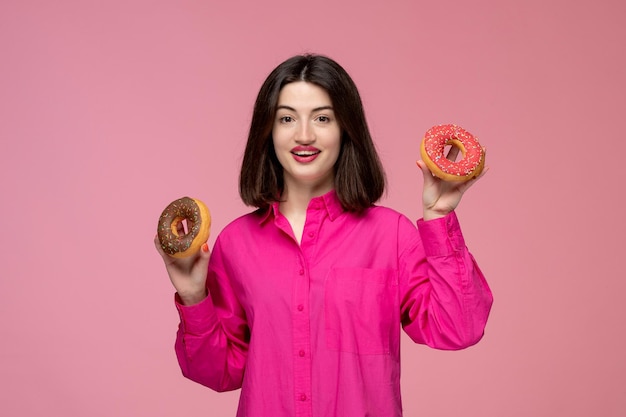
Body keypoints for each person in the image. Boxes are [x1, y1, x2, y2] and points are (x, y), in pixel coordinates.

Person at [155, 54, 493, 417]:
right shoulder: (236, 243)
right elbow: (219, 371)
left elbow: (459, 329)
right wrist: (193, 298)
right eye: (287, 118)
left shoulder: (391, 235)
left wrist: (440, 218)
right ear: (267, 132)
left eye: (322, 118)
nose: (304, 135)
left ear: (346, 128)